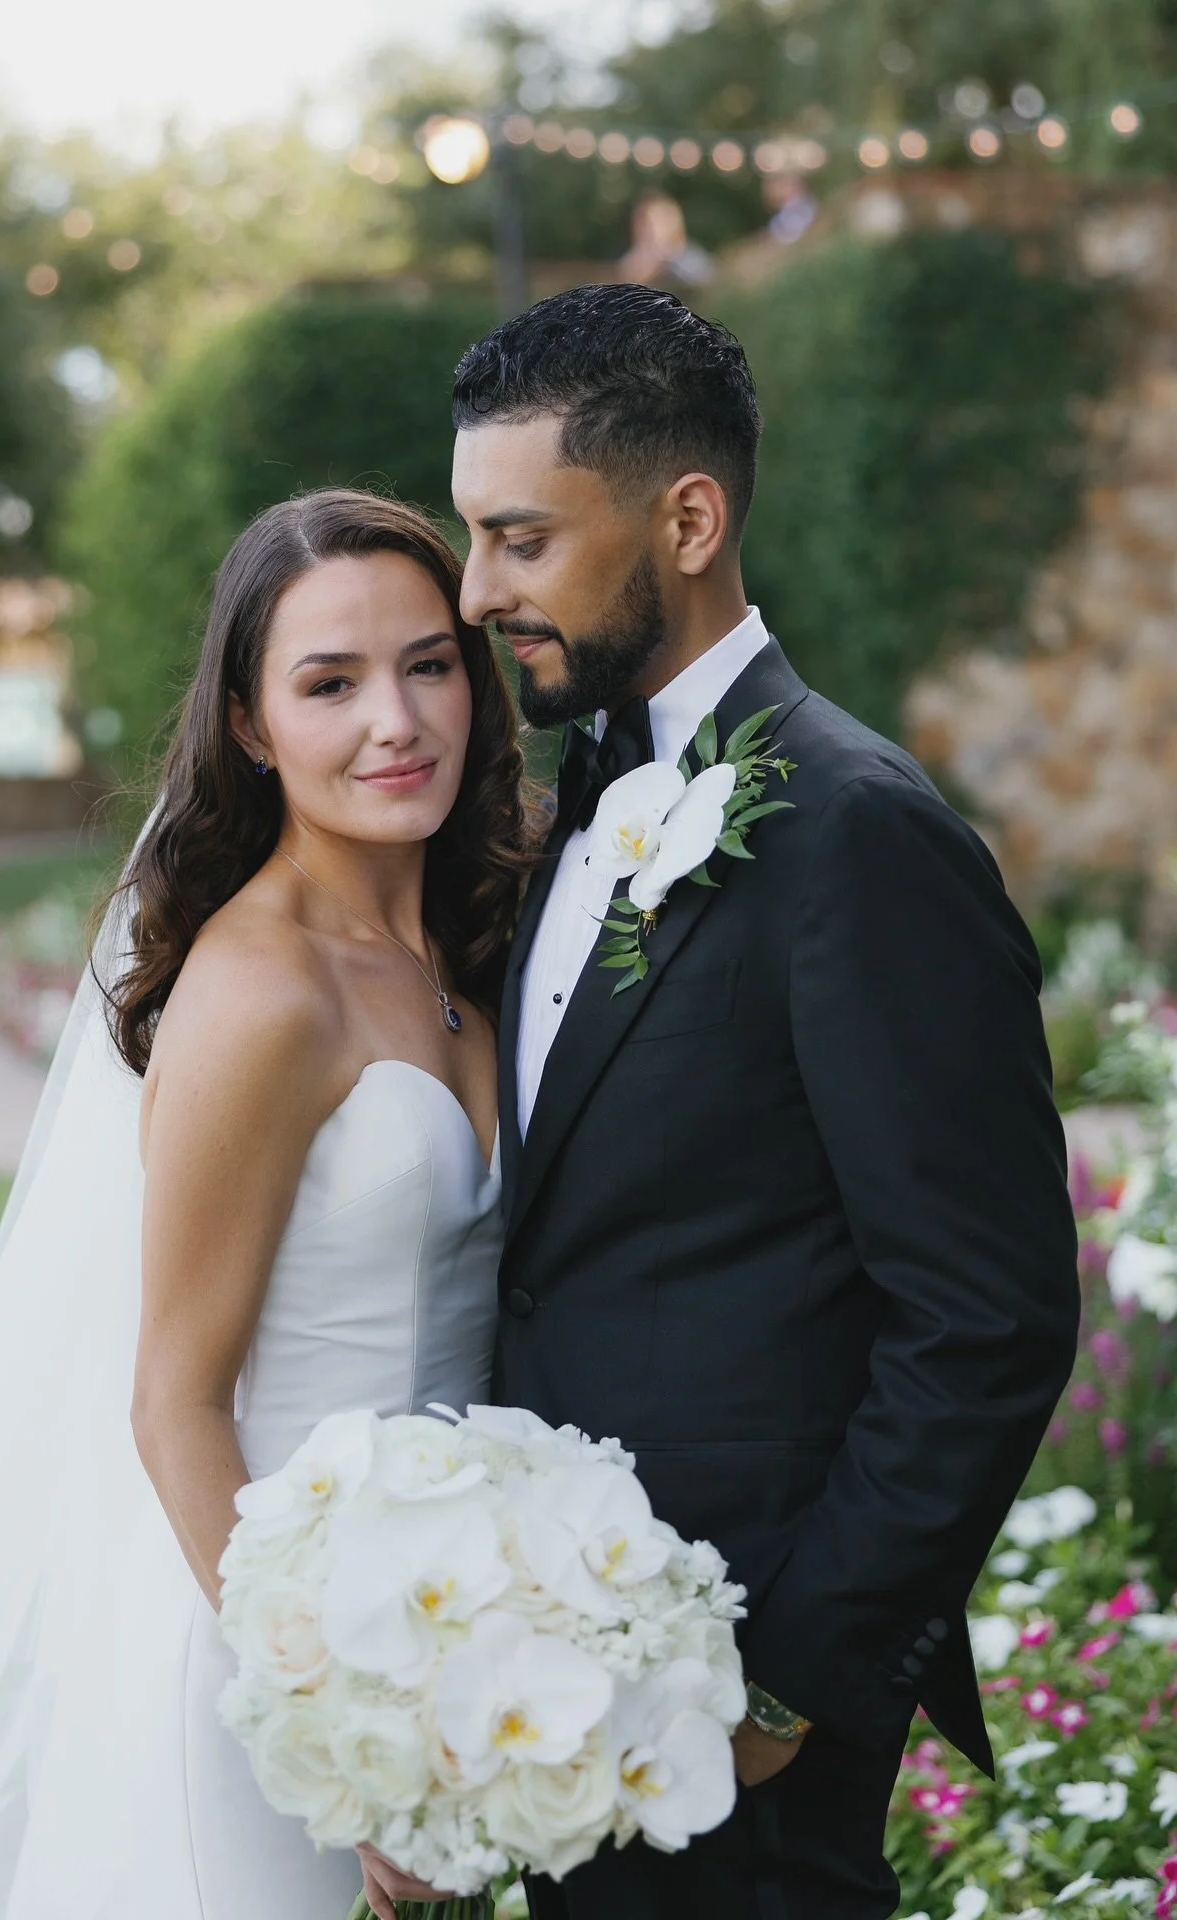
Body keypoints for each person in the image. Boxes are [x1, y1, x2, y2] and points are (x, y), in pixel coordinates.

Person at [0, 489, 528, 1920]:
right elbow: (175, 1400)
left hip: (441, 1639)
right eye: (330, 683)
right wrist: (334, 1739)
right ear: (250, 725)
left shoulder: (475, 950)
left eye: (429, 663)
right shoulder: (261, 988)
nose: (396, 720)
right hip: (268, 1670)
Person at [450, 283, 1081, 1920]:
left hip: (739, 1716)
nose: (476, 591)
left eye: (520, 540)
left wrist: (790, 1687)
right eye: (473, 539)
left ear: (687, 515)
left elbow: (987, 1316)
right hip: (566, 1681)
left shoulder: (860, 836)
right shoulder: (563, 803)